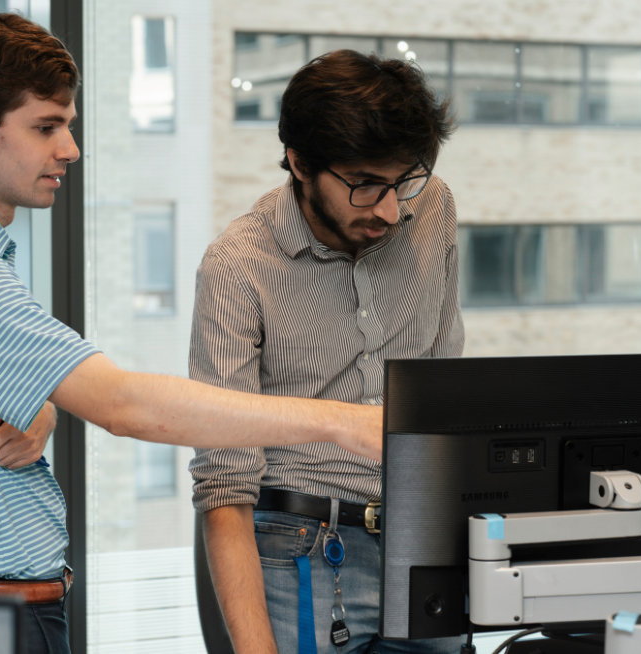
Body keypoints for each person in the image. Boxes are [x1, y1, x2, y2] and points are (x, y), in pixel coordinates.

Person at [0, 15, 380, 654]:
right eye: (45, 127)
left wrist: (40, 404)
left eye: (69, 127)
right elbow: (125, 405)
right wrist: (338, 423)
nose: (70, 150)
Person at [190, 49, 463, 654]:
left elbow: (445, 386)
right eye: (364, 185)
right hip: (295, 555)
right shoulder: (237, 266)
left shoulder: (433, 207)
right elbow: (225, 483)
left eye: (403, 180)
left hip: (425, 544)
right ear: (300, 163)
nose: (390, 210)